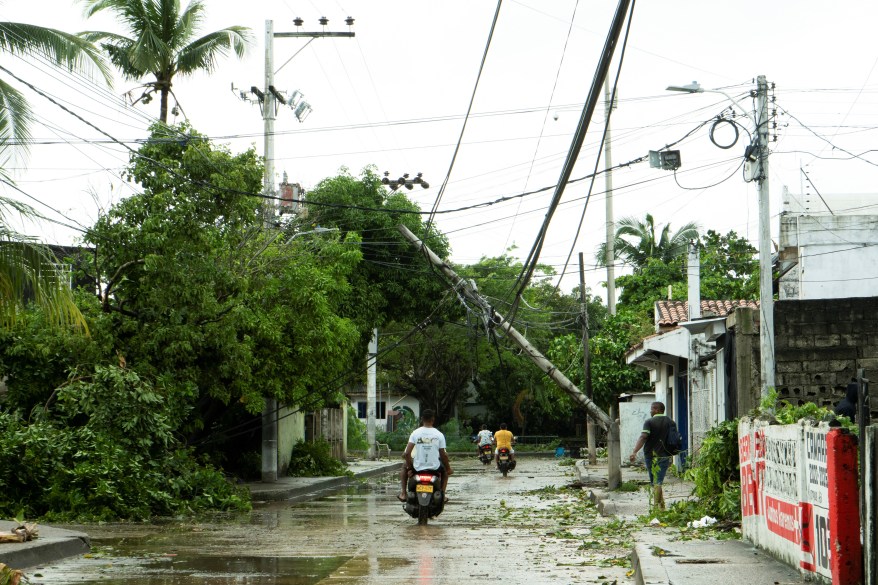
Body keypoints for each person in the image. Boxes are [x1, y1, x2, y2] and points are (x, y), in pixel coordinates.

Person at [398, 409, 452, 503]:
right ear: (433, 419)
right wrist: (448, 468)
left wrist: (410, 468)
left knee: (403, 467)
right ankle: (442, 495)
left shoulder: (415, 433)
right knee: (445, 473)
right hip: (434, 468)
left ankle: (403, 493)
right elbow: (443, 455)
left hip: (417, 468)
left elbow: (406, 454)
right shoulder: (439, 435)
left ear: (422, 419)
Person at [629, 401, 676, 510]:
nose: (650, 411)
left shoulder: (649, 422)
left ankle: (655, 508)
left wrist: (634, 451)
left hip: (650, 455)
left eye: (652, 409)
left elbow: (643, 437)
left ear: (657, 410)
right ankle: (662, 506)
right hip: (665, 455)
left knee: (656, 482)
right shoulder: (671, 422)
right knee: (657, 482)